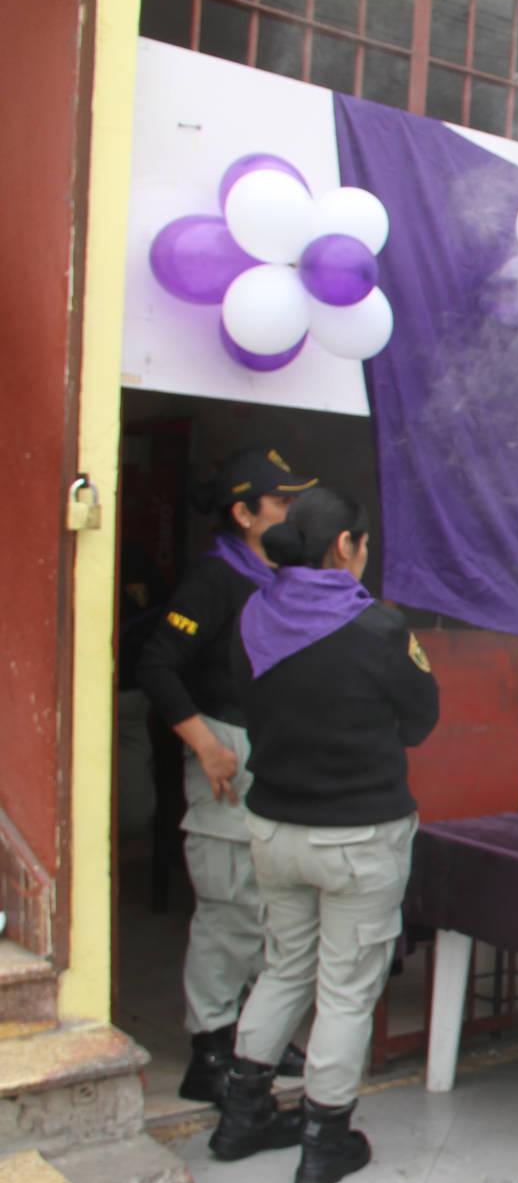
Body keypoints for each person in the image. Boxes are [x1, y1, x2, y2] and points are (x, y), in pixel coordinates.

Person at [209, 487, 438, 1183]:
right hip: (358, 837)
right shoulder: (380, 629)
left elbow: (246, 704)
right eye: (363, 544)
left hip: (274, 827)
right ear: (346, 547)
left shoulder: (254, 614)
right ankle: (323, 1138)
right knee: (345, 987)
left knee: (283, 965)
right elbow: (420, 721)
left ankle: (242, 1114)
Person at [135, 448, 316, 1105]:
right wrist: (204, 743)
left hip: (275, 763)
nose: (292, 513)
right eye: (281, 503)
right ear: (243, 513)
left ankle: (255, 1038)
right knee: (228, 909)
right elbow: (156, 663)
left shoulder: (287, 576)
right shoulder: (215, 580)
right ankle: (210, 1046)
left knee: (275, 913)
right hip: (226, 758)